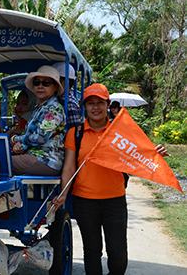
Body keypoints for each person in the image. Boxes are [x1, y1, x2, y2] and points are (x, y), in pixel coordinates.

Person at [52, 83, 169, 275]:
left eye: (100, 102)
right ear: (85, 106)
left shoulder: (120, 131)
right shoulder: (76, 133)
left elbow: (139, 154)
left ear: (107, 104)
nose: (95, 107)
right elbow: (69, 166)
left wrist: (155, 154)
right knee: (92, 251)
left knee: (118, 254)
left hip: (114, 201)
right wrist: (64, 194)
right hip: (85, 201)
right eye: (91, 103)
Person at [10, 65, 66, 175]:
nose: (40, 86)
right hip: (35, 156)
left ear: (55, 87)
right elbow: (31, 135)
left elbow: (40, 138)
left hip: (47, 160)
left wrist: (16, 139)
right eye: (37, 83)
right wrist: (21, 146)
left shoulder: (53, 109)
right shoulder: (39, 108)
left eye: (46, 83)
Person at [52, 62, 83, 129]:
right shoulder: (58, 98)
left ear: (65, 83)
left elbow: (75, 132)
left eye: (54, 81)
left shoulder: (69, 103)